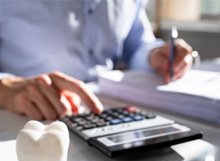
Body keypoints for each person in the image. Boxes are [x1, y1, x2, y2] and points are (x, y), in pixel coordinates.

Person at [0, 0, 193, 120]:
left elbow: (136, 45)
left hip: (112, 111)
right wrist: (4, 88)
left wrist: (155, 55)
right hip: (29, 116)